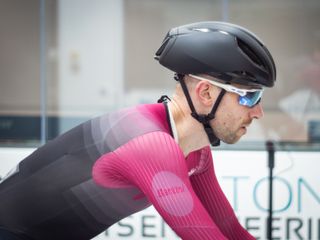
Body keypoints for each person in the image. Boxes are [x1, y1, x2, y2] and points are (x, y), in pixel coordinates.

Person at [0, 21, 276, 240]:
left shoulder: (196, 151)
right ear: (205, 93)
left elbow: (229, 229)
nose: (258, 112)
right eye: (249, 97)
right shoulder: (151, 144)